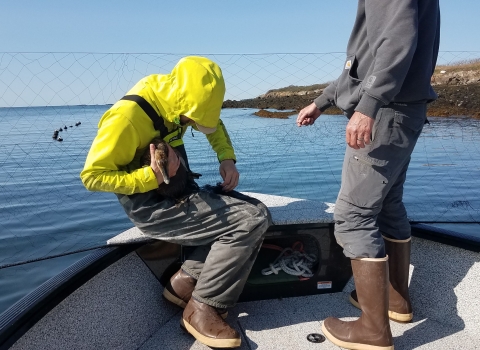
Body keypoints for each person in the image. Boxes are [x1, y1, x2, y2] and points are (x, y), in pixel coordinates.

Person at [81, 56, 271, 349]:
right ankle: (202, 308)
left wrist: (227, 158)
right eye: (191, 120)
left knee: (255, 211)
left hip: (180, 193)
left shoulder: (174, 100)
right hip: (152, 209)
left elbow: (214, 123)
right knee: (250, 220)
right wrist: (153, 177)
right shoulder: (127, 118)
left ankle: (184, 283)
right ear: (181, 104)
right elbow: (93, 177)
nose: (194, 124)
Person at [296, 1, 440, 348]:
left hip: (387, 112)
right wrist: (322, 101)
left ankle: (373, 331)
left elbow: (396, 40)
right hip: (404, 111)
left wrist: (369, 104)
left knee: (353, 215)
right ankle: (395, 300)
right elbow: (361, 62)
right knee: (389, 205)